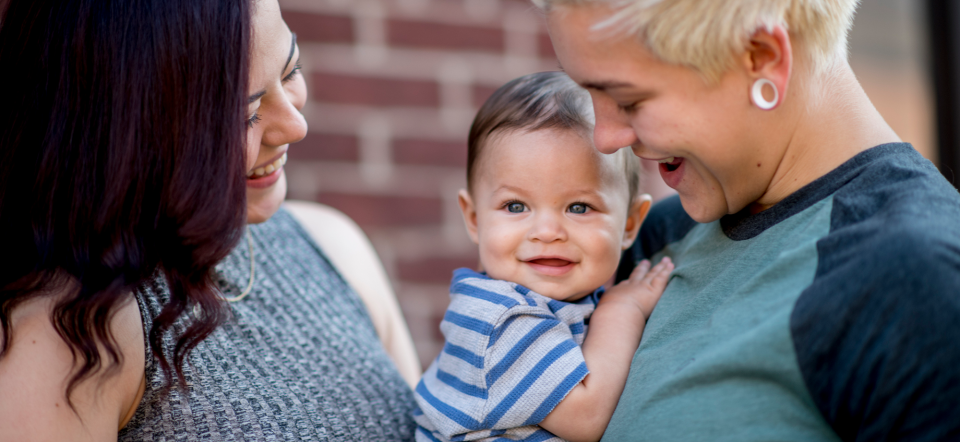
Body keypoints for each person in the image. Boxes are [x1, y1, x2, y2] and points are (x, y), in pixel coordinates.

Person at [536, 0, 960, 440]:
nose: (605, 138)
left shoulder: (918, 278)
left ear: (762, 56)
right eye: (589, 92)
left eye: (628, 99)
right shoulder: (659, 236)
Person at [0, 0, 419, 440]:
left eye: (291, 69)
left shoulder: (332, 246)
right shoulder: (74, 332)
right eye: (243, 115)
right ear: (127, 129)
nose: (295, 126)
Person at [413, 72, 674, 442]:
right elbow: (586, 418)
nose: (548, 231)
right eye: (516, 205)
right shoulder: (497, 318)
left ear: (630, 223)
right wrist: (623, 311)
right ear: (474, 219)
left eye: (579, 207)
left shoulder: (557, 304)